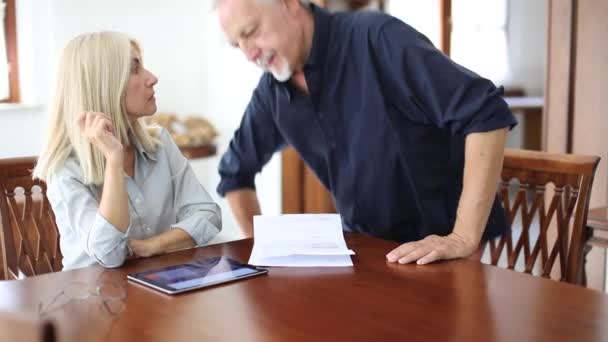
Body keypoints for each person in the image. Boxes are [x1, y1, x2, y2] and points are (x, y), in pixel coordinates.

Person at [215, 0, 516, 265]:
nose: (248, 53)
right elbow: (234, 175)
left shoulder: (377, 37)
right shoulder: (272, 92)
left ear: (290, 4)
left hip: (439, 254)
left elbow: (484, 112)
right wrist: (262, 253)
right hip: (366, 255)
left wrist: (462, 237)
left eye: (250, 31)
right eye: (236, 44)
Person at [33, 31, 221, 270]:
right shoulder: (64, 168)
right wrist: (114, 159)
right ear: (104, 84)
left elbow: (208, 214)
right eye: (135, 69)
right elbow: (109, 253)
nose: (152, 78)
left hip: (159, 285)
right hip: (94, 300)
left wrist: (152, 246)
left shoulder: (160, 142)